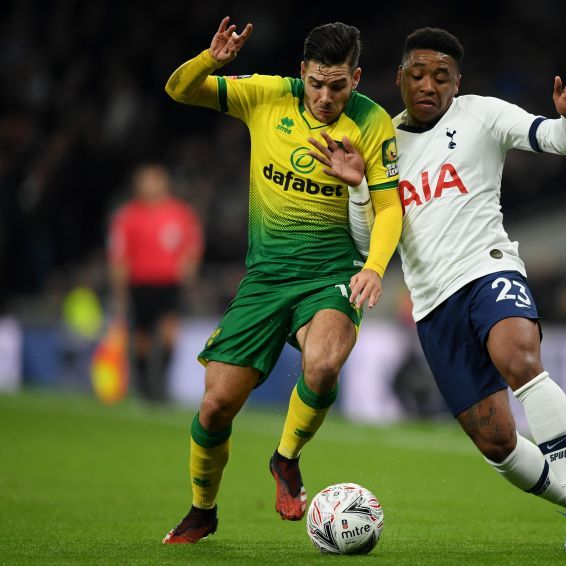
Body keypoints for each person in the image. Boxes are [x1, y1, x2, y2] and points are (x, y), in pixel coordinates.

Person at [307, 27, 566, 553]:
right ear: (399, 78)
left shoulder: (483, 115)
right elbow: (366, 238)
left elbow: (552, 138)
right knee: (498, 442)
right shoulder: (380, 142)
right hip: (432, 303)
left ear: (456, 83)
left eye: (441, 77)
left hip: (489, 270)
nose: (428, 85)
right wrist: (356, 189)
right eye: (417, 75)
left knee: (520, 359)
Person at [161, 17, 402, 543]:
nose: (324, 96)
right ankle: (203, 510)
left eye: (337, 85)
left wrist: (374, 267)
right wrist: (211, 62)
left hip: (329, 275)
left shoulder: (372, 123)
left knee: (322, 362)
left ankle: (285, 458)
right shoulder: (266, 96)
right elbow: (178, 89)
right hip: (266, 279)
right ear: (302, 73)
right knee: (215, 404)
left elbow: (389, 209)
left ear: (355, 78)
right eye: (316, 83)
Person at [108, 163, 203, 403]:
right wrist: (120, 289)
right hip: (140, 282)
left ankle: (161, 384)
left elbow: (193, 244)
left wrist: (188, 268)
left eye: (154, 179)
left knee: (170, 333)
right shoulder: (128, 215)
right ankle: (143, 387)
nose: (149, 185)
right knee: (141, 337)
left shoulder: (179, 213)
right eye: (145, 180)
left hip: (169, 283)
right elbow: (119, 255)